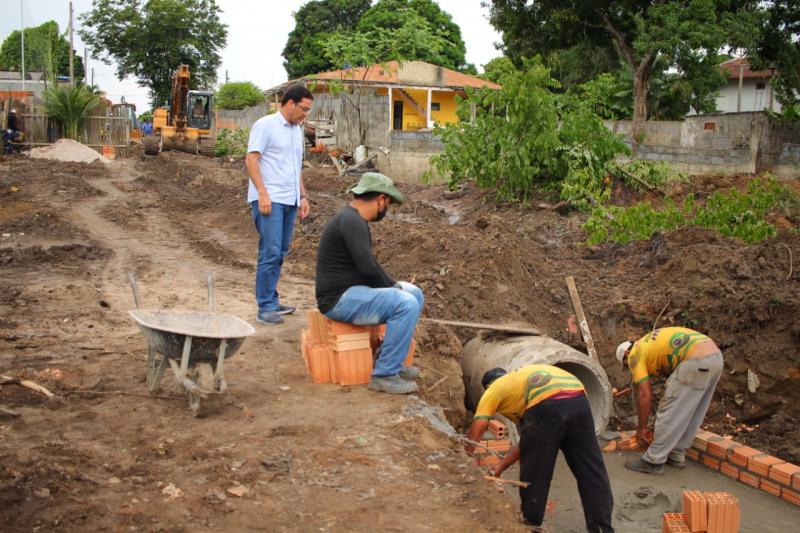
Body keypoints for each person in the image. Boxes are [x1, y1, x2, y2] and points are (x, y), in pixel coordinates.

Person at [465, 365, 614, 532]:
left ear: (487, 386)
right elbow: (528, 443)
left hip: (546, 403)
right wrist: (500, 466)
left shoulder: (494, 389)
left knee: (535, 474)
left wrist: (464, 458)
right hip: (578, 398)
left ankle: (531, 525)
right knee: (591, 470)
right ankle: (602, 528)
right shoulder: (519, 384)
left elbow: (480, 423)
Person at [315, 172, 424, 395]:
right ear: (381, 199)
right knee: (406, 303)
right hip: (338, 300)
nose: (387, 210)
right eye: (389, 204)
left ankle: (392, 360)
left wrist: (392, 285)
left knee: (415, 294)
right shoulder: (352, 221)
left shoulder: (352, 219)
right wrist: (392, 288)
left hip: (353, 291)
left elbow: (369, 266)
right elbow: (367, 268)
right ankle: (384, 375)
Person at [245, 84, 313, 325]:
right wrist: (262, 193)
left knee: (280, 252)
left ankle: (272, 300)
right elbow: (251, 159)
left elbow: (296, 167)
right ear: (290, 103)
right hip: (270, 200)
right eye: (304, 109)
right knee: (270, 251)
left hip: (290, 199)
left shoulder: (296, 130)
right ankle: (264, 306)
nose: (306, 115)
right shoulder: (265, 125)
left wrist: (303, 196)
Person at [616, 326, 724, 475]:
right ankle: (676, 454)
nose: (630, 368)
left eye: (627, 365)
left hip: (695, 359)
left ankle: (653, 461)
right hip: (716, 357)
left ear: (627, 354)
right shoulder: (649, 343)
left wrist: (641, 429)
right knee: (692, 409)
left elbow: (645, 395)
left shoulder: (634, 354)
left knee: (670, 409)